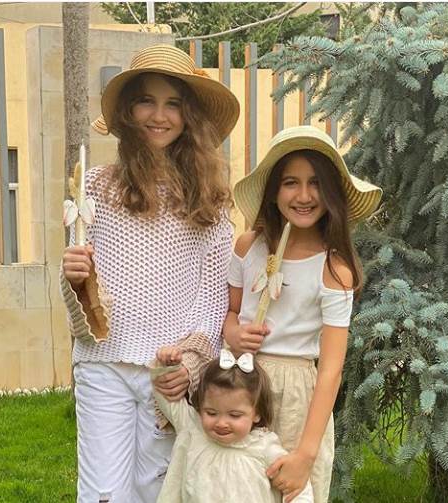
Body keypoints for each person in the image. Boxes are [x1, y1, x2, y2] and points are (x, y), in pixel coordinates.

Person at [60, 44, 239, 503]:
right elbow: (85, 302)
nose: (159, 116)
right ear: (127, 111)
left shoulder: (210, 200)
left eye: (173, 104)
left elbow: (213, 297)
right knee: (102, 492)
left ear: (189, 116)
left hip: (169, 369)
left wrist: (192, 363)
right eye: (146, 101)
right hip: (104, 364)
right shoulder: (94, 187)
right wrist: (75, 279)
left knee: (161, 489)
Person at [224, 126, 382, 503]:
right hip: (239, 382)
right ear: (273, 191)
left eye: (316, 184)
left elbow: (331, 369)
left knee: (288, 490)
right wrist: (233, 335)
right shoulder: (248, 248)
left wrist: (305, 455)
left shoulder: (333, 269)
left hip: (296, 395)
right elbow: (230, 312)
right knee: (234, 486)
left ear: (330, 193)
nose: (304, 195)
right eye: (290, 183)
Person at [152, 346, 314, 503]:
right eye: (211, 413)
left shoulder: (264, 447)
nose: (221, 423)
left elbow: (295, 485)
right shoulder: (194, 428)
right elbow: (167, 396)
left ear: (257, 413)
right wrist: (167, 368)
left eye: (234, 415)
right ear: (201, 406)